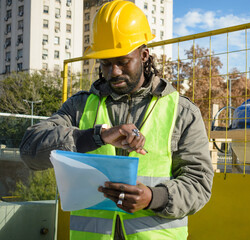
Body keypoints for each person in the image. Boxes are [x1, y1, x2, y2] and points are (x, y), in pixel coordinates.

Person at [19, 1, 214, 239]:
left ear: (143, 56)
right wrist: (95, 136)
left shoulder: (182, 111)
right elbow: (30, 151)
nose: (114, 72)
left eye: (122, 62)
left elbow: (199, 183)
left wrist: (154, 197)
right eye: (106, 63)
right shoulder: (80, 107)